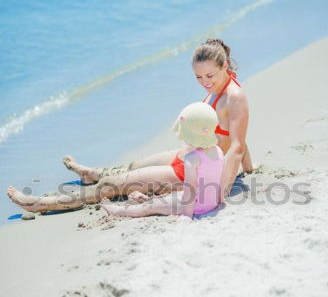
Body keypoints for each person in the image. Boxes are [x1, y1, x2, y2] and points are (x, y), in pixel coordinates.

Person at [7, 39, 252, 213]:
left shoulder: (235, 96)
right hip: (186, 156)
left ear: (224, 67)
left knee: (111, 186)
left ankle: (40, 203)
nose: (204, 82)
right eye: (198, 77)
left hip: (193, 172)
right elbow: (236, 134)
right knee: (135, 165)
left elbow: (237, 146)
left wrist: (222, 191)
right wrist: (249, 169)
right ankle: (91, 173)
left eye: (210, 76)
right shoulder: (219, 88)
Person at [101, 102, 225, 219]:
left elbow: (190, 189)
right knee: (167, 199)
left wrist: (187, 215)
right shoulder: (218, 151)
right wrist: (220, 201)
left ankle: (118, 211)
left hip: (194, 206)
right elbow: (220, 180)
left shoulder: (192, 158)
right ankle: (143, 199)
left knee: (149, 207)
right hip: (211, 203)